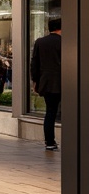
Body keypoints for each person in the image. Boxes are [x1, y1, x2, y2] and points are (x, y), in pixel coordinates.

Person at [29, 17, 61, 151]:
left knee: (50, 112)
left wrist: (35, 81)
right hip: (66, 82)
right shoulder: (67, 41)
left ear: (49, 28)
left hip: (47, 83)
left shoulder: (40, 42)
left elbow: (34, 63)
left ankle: (50, 142)